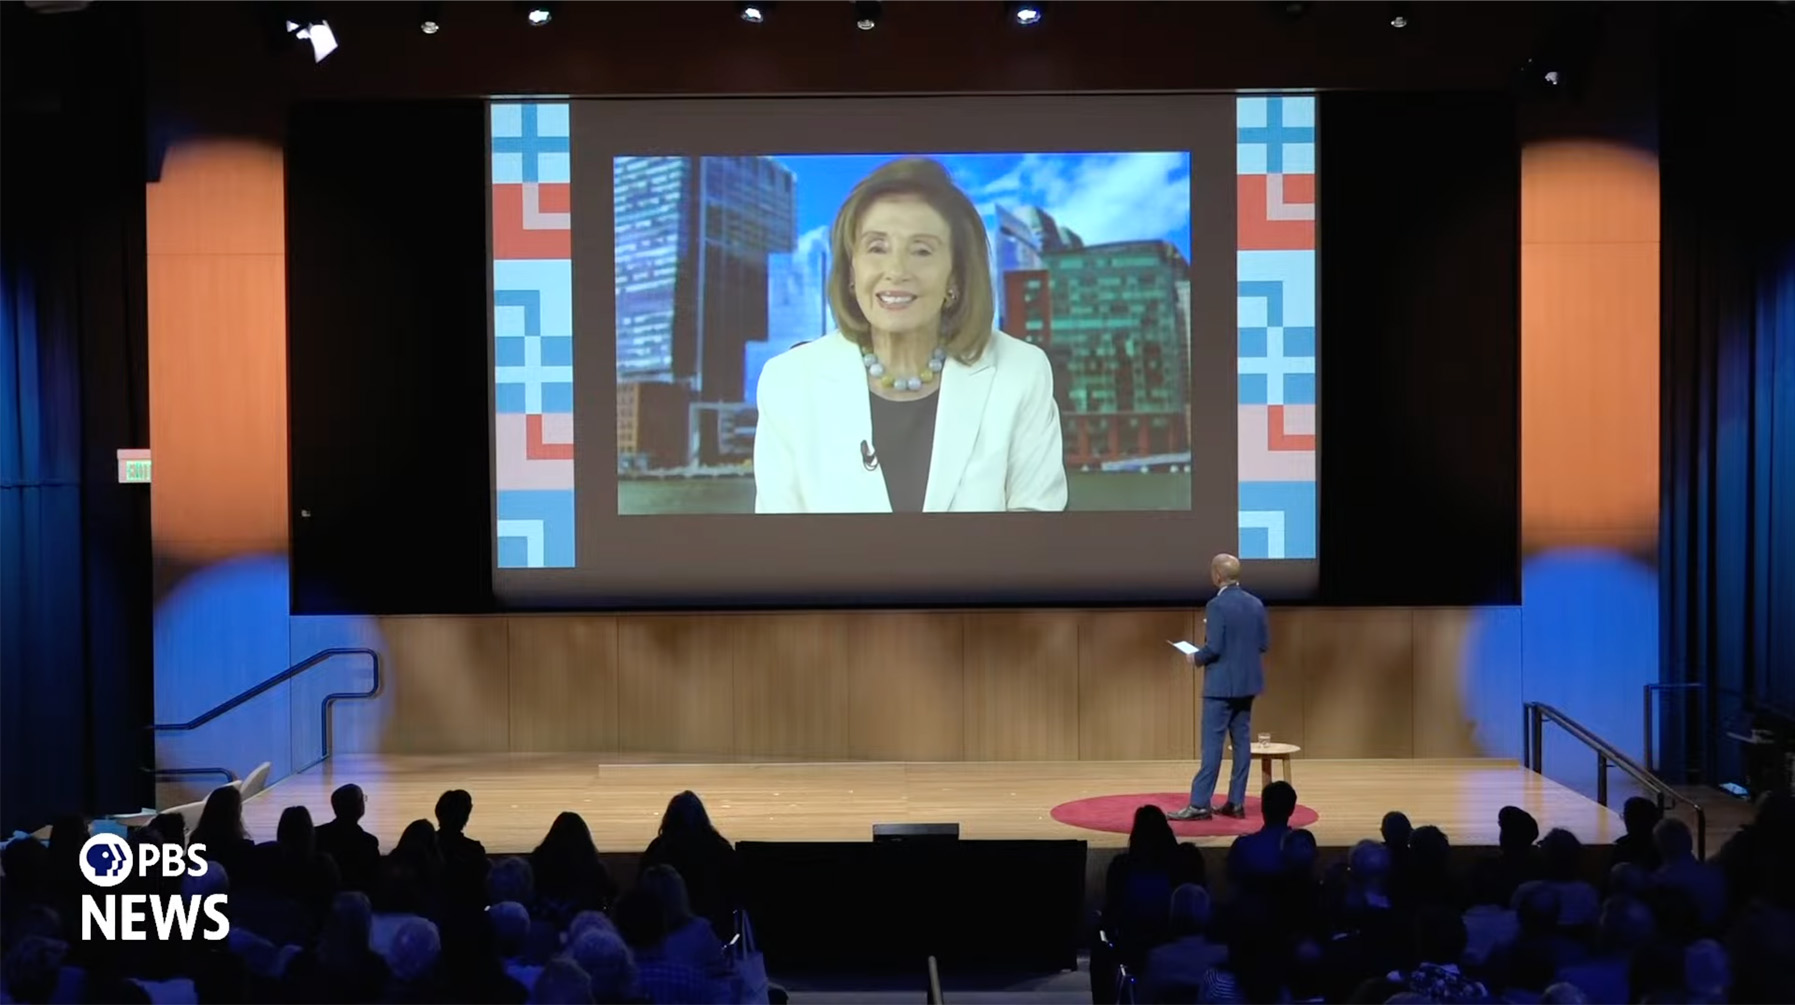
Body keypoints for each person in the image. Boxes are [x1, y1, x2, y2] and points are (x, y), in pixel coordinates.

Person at [753, 157, 1067, 514]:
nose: (897, 271)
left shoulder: (1021, 372)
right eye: (876, 248)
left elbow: (1037, 540)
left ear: (955, 277)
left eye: (921, 251)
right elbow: (780, 550)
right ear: (851, 270)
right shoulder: (789, 382)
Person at [1172, 554, 1269, 821]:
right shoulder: (1256, 603)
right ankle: (1235, 803)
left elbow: (1213, 648)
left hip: (1220, 687)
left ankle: (1200, 804)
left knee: (1212, 746)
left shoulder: (1216, 605)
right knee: (1241, 745)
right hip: (1248, 685)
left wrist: (1195, 657)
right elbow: (1263, 644)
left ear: (1217, 575)